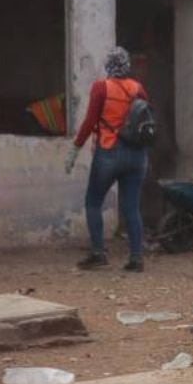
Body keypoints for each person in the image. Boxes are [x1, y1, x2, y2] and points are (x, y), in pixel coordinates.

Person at [65, 47, 150, 272]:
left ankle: (98, 253)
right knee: (131, 207)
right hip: (137, 155)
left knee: (93, 202)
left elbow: (89, 122)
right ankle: (136, 258)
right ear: (127, 65)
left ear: (108, 65)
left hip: (109, 152)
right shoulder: (138, 88)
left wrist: (75, 149)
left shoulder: (101, 87)